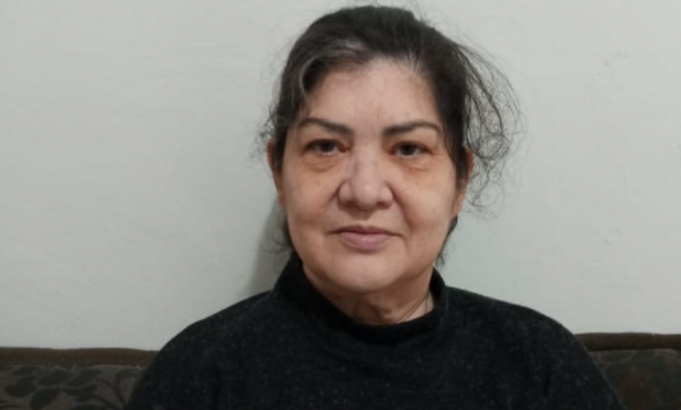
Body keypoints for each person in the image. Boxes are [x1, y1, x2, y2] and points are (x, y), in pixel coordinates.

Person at [126, 5, 625, 410]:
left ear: (460, 180)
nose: (364, 192)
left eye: (408, 149)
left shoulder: (540, 364)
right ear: (279, 171)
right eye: (326, 146)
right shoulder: (199, 375)